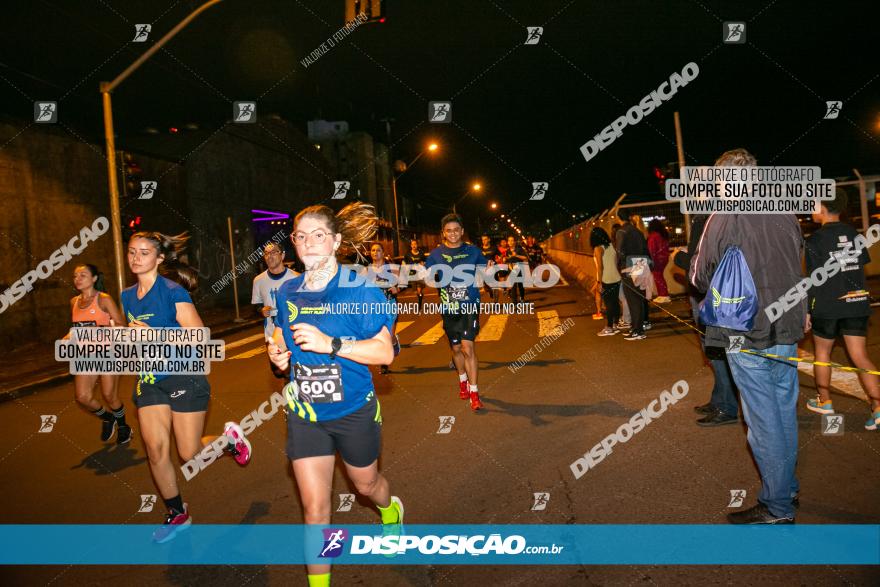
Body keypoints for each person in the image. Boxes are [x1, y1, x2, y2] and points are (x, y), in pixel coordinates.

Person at [266, 203, 403, 587]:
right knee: (315, 510)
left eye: (318, 235)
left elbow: (384, 352)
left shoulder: (360, 289)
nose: (308, 243)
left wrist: (332, 344)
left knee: (366, 486)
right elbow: (281, 336)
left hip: (353, 410)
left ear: (336, 241)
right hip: (306, 413)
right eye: (300, 236)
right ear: (293, 242)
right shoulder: (288, 290)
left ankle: (390, 512)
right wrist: (277, 354)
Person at [691, 147, 807, 524]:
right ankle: (786, 488)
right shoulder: (784, 211)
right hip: (788, 325)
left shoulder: (724, 215)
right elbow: (797, 263)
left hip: (746, 329)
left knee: (762, 421)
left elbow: (699, 275)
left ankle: (777, 506)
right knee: (784, 411)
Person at [123, 231, 251, 543]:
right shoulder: (127, 296)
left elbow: (200, 337)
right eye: (131, 252)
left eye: (143, 252)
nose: (136, 258)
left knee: (189, 453)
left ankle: (228, 441)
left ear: (159, 258)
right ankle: (177, 512)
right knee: (155, 449)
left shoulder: (172, 293)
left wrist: (154, 336)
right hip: (151, 379)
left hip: (185, 376)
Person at [805, 189, 880, 430]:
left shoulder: (815, 240)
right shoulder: (854, 234)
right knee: (860, 356)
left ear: (823, 208)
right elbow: (859, 267)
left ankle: (825, 401)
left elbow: (814, 280)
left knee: (823, 355)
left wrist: (807, 310)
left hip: (827, 306)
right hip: (856, 302)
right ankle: (878, 407)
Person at [675, 216, 741, 427]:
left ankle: (727, 407)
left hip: (711, 294)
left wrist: (681, 259)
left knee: (717, 349)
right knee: (713, 351)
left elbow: (710, 263)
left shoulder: (716, 218)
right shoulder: (706, 218)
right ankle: (720, 400)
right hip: (703, 292)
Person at [426, 214, 488, 411]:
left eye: (456, 230)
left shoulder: (474, 251)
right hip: (449, 307)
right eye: (448, 230)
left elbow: (484, 272)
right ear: (443, 233)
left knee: (468, 348)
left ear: (462, 231)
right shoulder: (435, 254)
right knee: (456, 349)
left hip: (470, 305)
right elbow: (427, 276)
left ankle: (474, 392)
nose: (453, 233)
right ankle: (463, 380)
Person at [67, 264, 130, 444]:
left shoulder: (103, 299)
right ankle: (108, 418)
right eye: (75, 276)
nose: (78, 279)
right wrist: (67, 337)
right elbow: (77, 329)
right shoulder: (74, 302)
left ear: (94, 278)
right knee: (83, 397)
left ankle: (124, 426)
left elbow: (121, 325)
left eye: (83, 275)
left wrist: (99, 329)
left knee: (109, 395)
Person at [615, 209, 651, 340]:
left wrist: (619, 267)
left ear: (618, 217)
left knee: (632, 299)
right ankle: (637, 327)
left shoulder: (621, 231)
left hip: (629, 266)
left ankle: (637, 331)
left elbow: (619, 251)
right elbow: (645, 249)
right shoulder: (638, 231)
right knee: (639, 298)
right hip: (640, 264)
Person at [252, 242, 298, 341]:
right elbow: (256, 306)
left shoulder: (296, 278)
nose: (269, 256)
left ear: (283, 255)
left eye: (273, 252)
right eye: (266, 253)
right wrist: (261, 310)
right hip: (271, 335)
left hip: (293, 334)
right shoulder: (258, 280)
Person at [368, 242, 400, 375]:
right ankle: (384, 364)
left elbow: (402, 285)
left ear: (383, 252)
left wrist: (396, 288)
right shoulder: (367, 270)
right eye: (373, 250)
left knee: (390, 336)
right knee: (381, 335)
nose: (375, 253)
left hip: (390, 303)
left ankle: (394, 342)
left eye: (378, 250)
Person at [590, 228, 621, 336]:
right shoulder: (612, 246)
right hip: (616, 277)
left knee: (609, 304)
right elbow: (617, 261)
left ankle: (609, 327)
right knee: (615, 302)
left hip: (606, 279)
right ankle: (616, 324)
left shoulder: (598, 248)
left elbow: (600, 267)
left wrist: (599, 282)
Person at [647, 219, 671, 303]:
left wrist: (651, 260)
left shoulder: (653, 236)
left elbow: (651, 249)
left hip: (656, 259)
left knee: (658, 276)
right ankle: (662, 294)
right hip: (664, 258)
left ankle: (664, 295)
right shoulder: (662, 235)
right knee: (659, 276)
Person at [403, 238, 427, 310]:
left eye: (415, 244)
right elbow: (404, 262)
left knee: (419, 290)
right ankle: (420, 296)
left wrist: (423, 264)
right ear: (411, 246)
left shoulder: (421, 253)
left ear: (417, 245)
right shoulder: (408, 254)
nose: (414, 245)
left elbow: (425, 261)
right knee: (416, 291)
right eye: (412, 244)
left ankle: (419, 305)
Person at [506, 235, 528, 302]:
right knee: (513, 286)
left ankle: (522, 298)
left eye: (512, 240)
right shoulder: (508, 251)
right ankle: (515, 302)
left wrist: (516, 255)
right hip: (512, 269)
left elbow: (525, 258)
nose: (510, 242)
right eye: (509, 240)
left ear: (514, 242)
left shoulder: (519, 249)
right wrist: (508, 264)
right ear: (508, 242)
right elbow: (508, 260)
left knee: (520, 285)